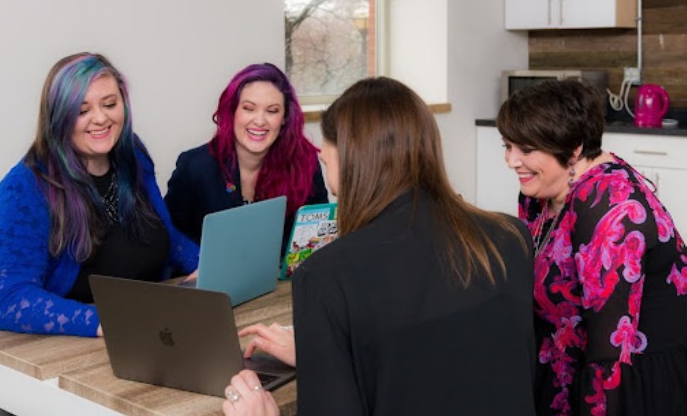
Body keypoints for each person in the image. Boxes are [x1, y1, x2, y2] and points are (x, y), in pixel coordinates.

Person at [221, 77, 537, 416]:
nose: (331, 184)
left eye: (328, 165)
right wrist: (326, 353)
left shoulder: (325, 276)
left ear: (353, 161)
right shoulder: (510, 236)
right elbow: (445, 358)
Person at [496, 79, 687, 416]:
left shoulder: (611, 208)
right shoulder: (541, 194)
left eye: (526, 149)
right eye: (507, 146)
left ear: (573, 150)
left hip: (633, 383)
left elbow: (608, 356)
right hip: (566, 366)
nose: (511, 161)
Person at [0, 53, 199, 337]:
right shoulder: (24, 187)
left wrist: (206, 267)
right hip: (80, 347)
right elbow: (6, 299)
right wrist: (106, 321)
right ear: (58, 117)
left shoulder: (133, 155)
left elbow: (164, 236)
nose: (100, 118)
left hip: (153, 329)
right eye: (82, 110)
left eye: (109, 104)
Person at [164, 63, 328, 255]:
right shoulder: (194, 167)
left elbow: (319, 233)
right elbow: (170, 237)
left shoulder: (304, 162)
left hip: (283, 281)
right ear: (232, 111)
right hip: (209, 281)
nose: (259, 121)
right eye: (249, 108)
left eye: (272, 111)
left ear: (284, 118)